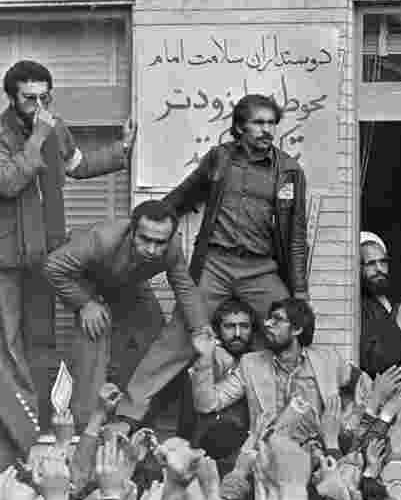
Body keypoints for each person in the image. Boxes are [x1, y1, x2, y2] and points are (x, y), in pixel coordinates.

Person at [112, 93, 308, 430]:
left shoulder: (288, 171)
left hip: (261, 268)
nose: (267, 130)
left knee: (290, 331)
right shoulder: (218, 160)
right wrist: (141, 227)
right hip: (215, 264)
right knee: (180, 335)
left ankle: (294, 418)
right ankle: (127, 415)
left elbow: (296, 237)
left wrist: (300, 292)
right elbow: (180, 198)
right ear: (239, 127)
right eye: (259, 123)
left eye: (272, 123)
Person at [0, 59, 135, 426]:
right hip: (7, 259)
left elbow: (77, 165)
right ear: (11, 97)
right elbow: (9, 182)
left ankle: (41, 423)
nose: (39, 106)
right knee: (9, 347)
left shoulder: (54, 128)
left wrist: (121, 150)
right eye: (30, 98)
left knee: (41, 341)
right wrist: (39, 137)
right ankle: (17, 433)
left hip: (47, 253)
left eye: (45, 97)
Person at [43, 200, 206, 432]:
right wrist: (84, 304)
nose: (151, 249)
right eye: (145, 239)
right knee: (94, 344)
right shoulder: (101, 239)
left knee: (155, 339)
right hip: (86, 283)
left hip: (126, 282)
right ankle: (84, 427)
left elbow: (185, 287)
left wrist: (201, 329)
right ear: (131, 231)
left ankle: (133, 420)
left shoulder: (172, 248)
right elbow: (53, 267)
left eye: (159, 243)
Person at [191, 298, 359, 441]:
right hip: (269, 458)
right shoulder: (250, 364)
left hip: (319, 454)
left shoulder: (328, 359)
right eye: (269, 319)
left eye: (277, 319)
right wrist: (205, 357)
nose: (267, 323)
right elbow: (207, 404)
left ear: (297, 329)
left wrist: (351, 419)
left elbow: (368, 387)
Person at [188, 298, 256, 471]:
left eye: (244, 326)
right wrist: (206, 357)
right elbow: (202, 403)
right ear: (218, 330)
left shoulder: (258, 363)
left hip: (245, 457)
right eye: (230, 326)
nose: (238, 333)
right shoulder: (207, 357)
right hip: (206, 455)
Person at [359, 231, 401, 376]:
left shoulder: (395, 300)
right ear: (357, 267)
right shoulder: (356, 307)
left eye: (383, 262)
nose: (379, 269)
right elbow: (370, 361)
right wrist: (398, 326)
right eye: (371, 263)